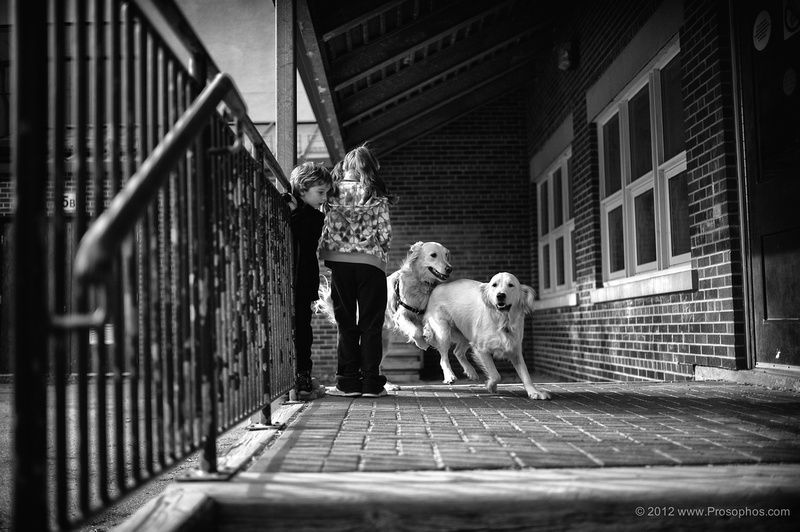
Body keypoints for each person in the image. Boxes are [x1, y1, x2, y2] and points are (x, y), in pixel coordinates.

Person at [320, 144, 398, 398]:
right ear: (370, 167)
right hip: (371, 263)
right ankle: (372, 384)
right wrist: (376, 251)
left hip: (340, 263)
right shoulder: (376, 194)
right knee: (371, 324)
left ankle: (348, 383)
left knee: (346, 323)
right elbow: (385, 235)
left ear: (345, 166)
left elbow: (324, 225)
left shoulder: (331, 193)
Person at [283, 162, 333, 399]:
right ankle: (286, 376)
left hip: (303, 282)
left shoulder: (316, 216)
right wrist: (292, 210)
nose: (324, 198)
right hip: (285, 282)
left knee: (303, 330)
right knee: (285, 328)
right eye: (320, 192)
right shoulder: (286, 207)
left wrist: (295, 211)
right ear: (302, 189)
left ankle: (303, 376)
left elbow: (306, 235)